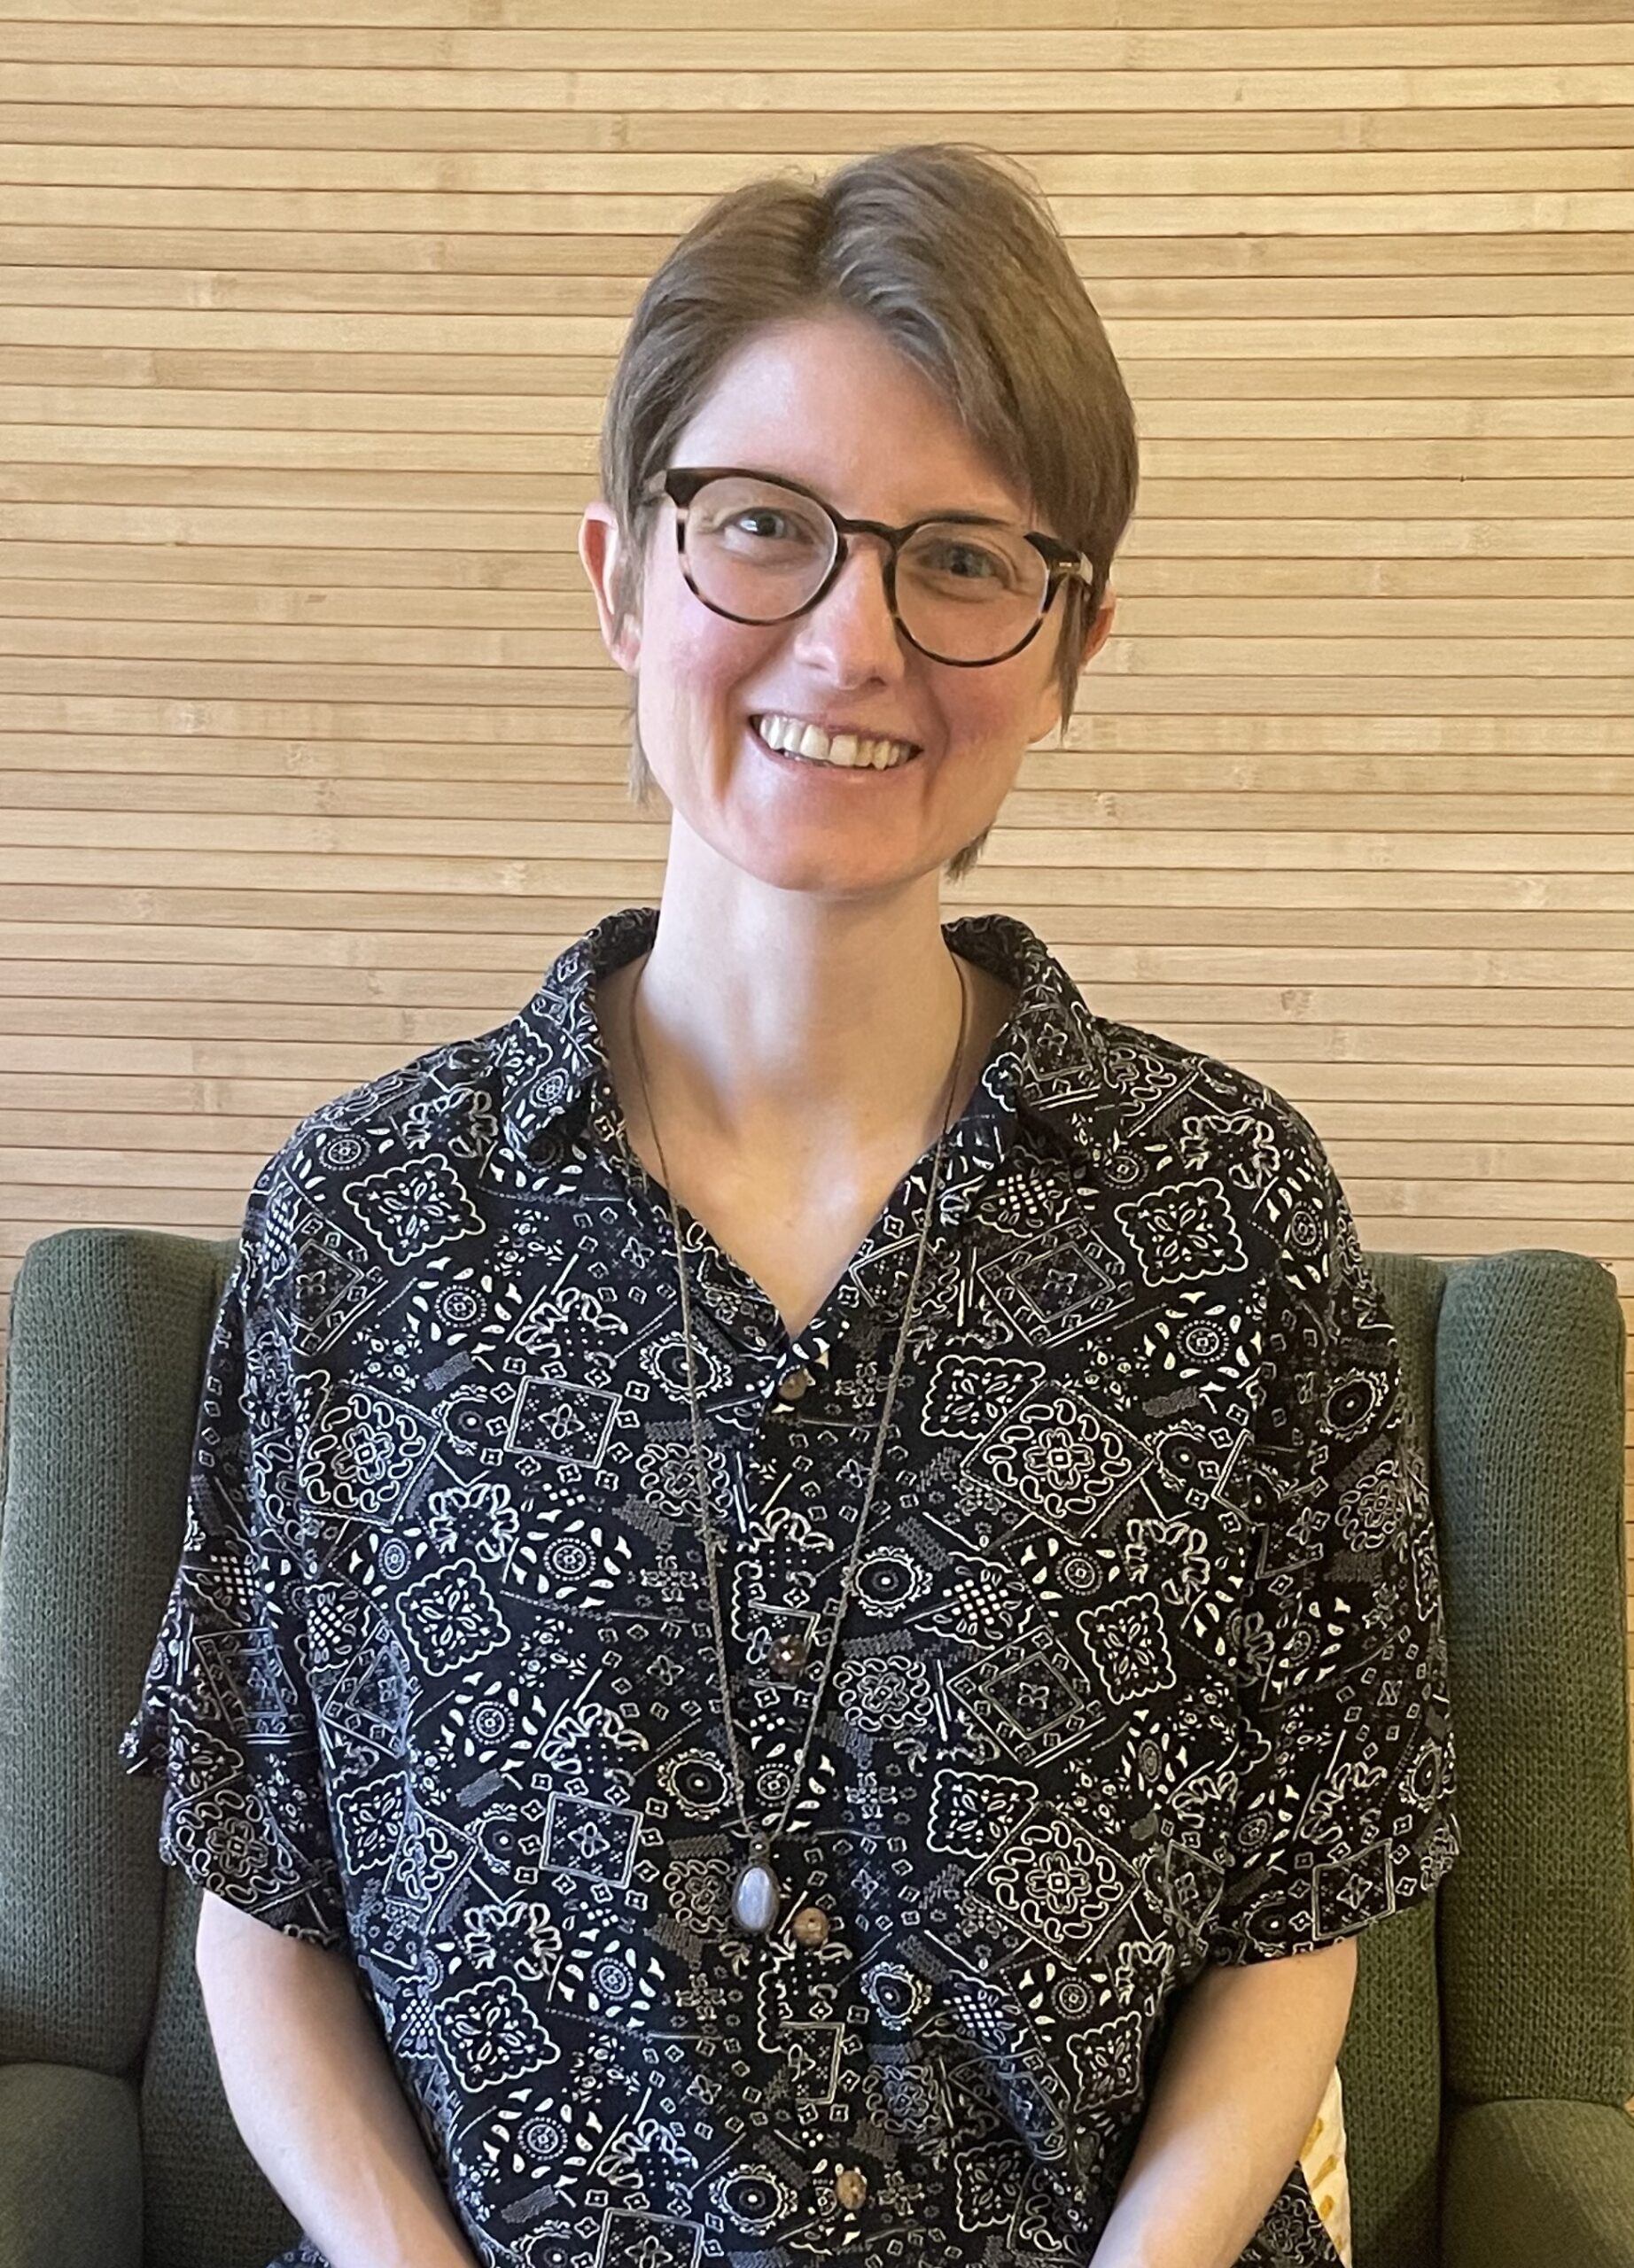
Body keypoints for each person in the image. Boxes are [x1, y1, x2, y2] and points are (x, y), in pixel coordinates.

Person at [121, 142, 1458, 2268]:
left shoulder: (1229, 1212)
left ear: (1069, 639)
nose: (850, 639)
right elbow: (259, 1920)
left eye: (957, 558)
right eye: (764, 528)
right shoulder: (360, 1225)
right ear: (620, 577)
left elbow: (1300, 1912)